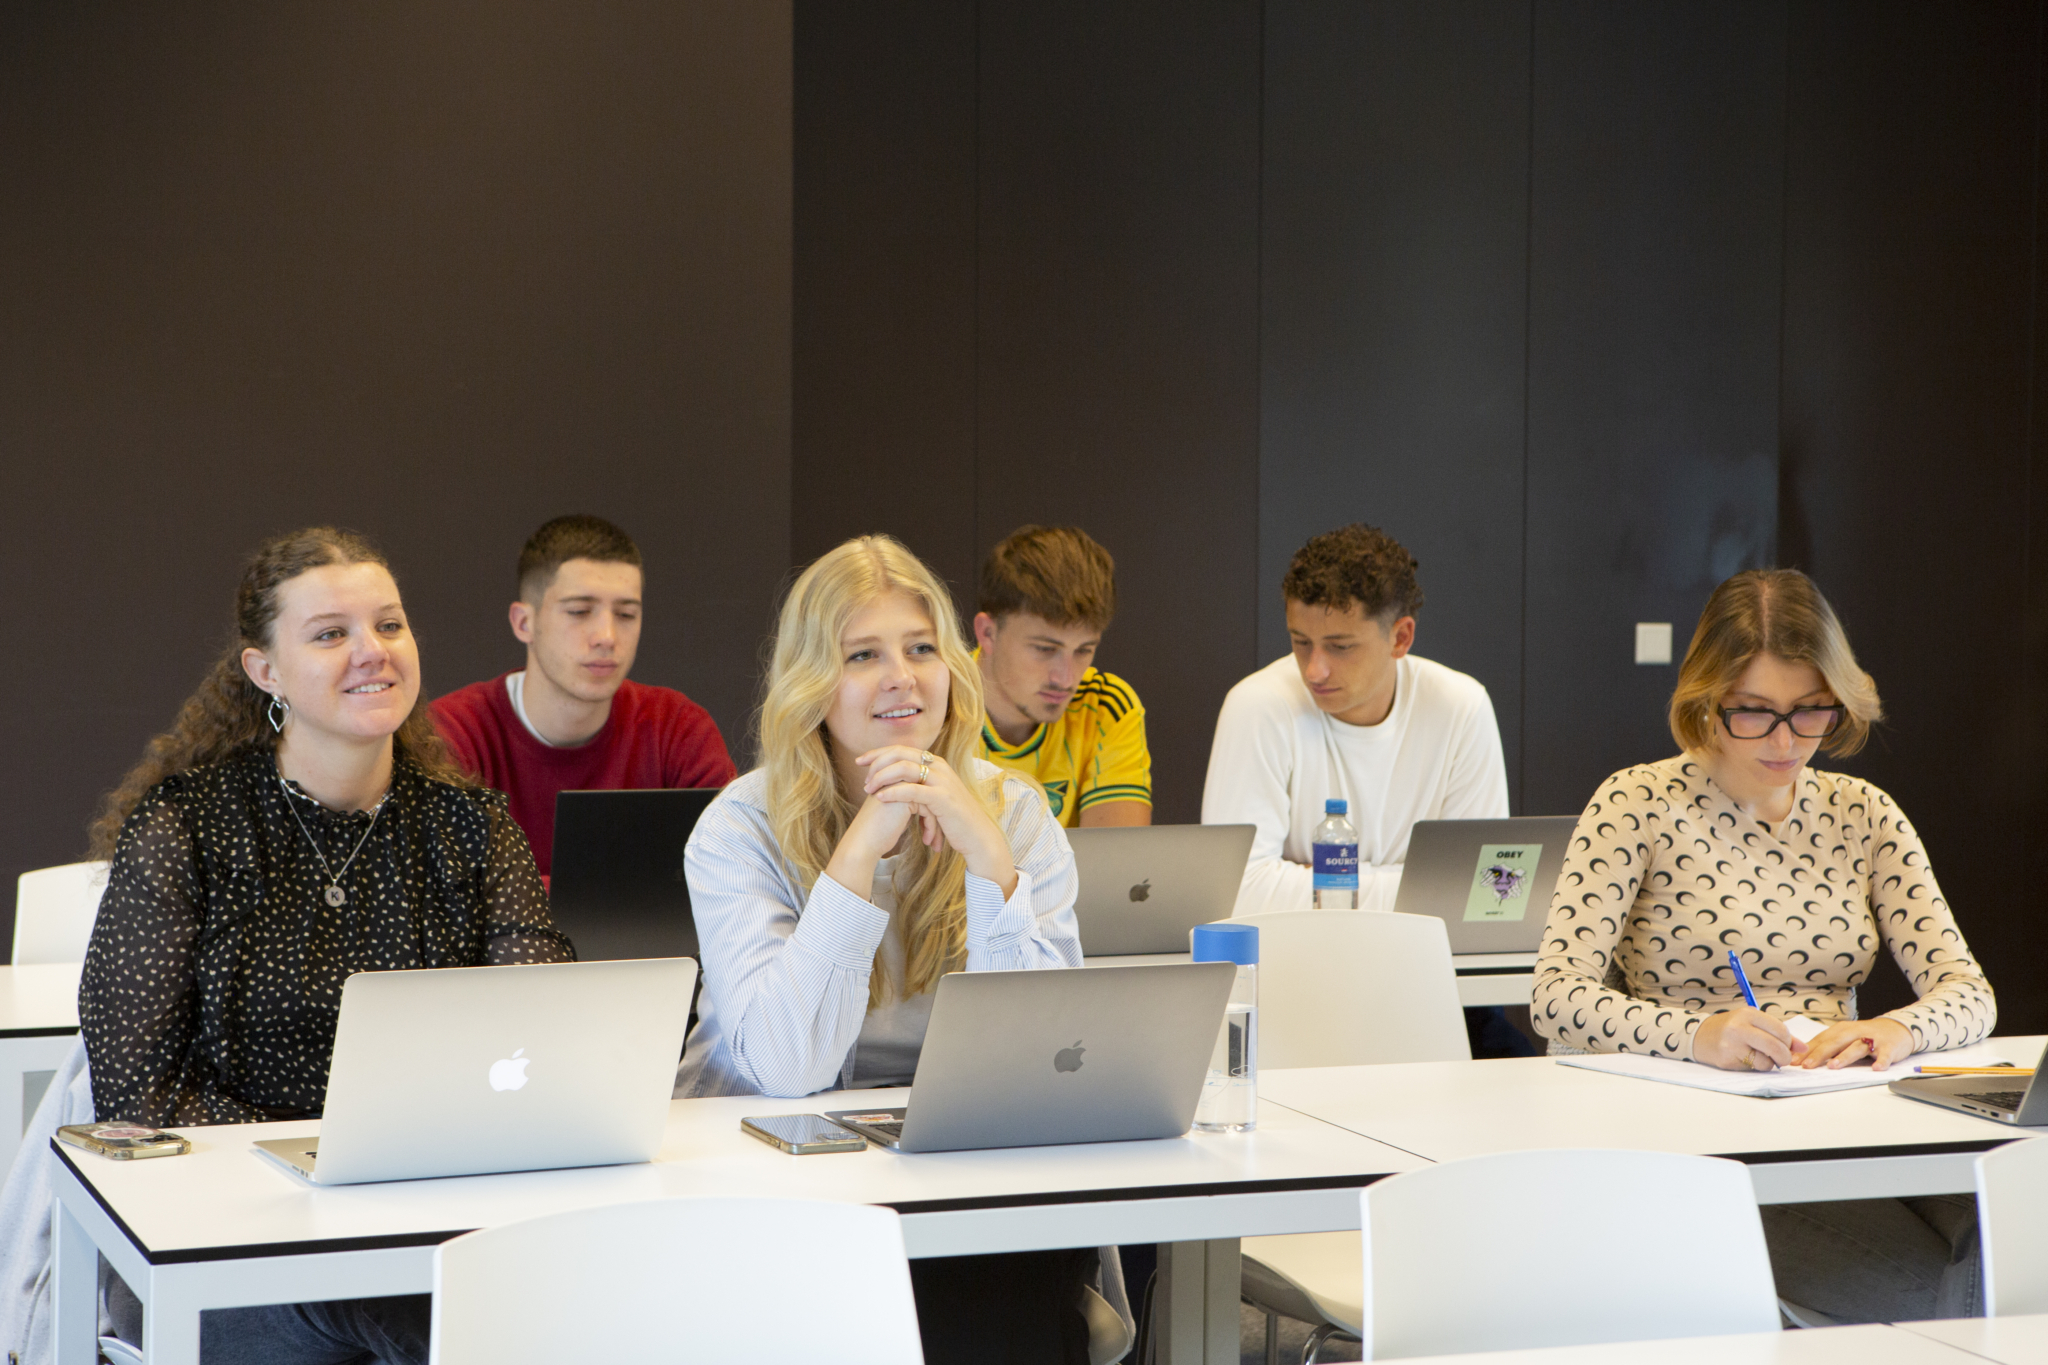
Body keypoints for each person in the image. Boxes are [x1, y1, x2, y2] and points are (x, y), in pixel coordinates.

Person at [68, 527, 574, 1364]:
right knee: (441, 1313)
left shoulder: (470, 825)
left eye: (390, 625)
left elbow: (548, 1026)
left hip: (424, 1219)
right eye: (331, 633)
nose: (372, 652)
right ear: (265, 671)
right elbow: (139, 1096)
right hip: (221, 1249)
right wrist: (321, 1159)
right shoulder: (186, 826)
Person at [675, 534, 1096, 1364]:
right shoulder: (738, 826)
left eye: (920, 649)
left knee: (1020, 1266)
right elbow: (789, 1066)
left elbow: (1037, 1062)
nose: (901, 676)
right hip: (774, 1177)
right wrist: (857, 854)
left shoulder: (1011, 814)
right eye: (863, 654)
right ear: (812, 683)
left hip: (957, 1173)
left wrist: (989, 863)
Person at [1533, 568, 1996, 1321]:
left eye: (1811, 711)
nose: (1786, 741)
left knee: (2010, 1225)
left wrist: (1892, 1028)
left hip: (1851, 1128)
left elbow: (1969, 993)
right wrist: (1698, 1035)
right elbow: (1557, 997)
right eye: (1754, 712)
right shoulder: (1635, 804)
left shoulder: (1864, 813)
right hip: (1705, 1151)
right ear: (1705, 700)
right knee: (1947, 1298)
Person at [1202, 523, 1510, 914]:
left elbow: (1484, 892)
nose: (1314, 670)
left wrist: (1316, 881)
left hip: (1422, 961)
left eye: (1340, 647)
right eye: (1301, 643)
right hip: (1296, 960)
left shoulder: (1462, 707)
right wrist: (1417, 883)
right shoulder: (1257, 705)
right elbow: (1237, 894)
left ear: (1400, 638)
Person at [431, 514, 736, 877]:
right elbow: (444, 894)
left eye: (626, 614)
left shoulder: (678, 728)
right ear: (523, 623)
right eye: (579, 611)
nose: (606, 635)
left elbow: (730, 877)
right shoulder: (451, 732)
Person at [973, 525, 1151, 827]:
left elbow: (1119, 869)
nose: (1066, 678)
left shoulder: (1107, 706)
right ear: (988, 633)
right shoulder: (930, 702)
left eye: (1083, 650)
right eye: (1045, 649)